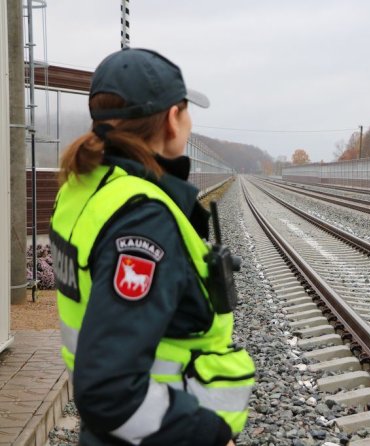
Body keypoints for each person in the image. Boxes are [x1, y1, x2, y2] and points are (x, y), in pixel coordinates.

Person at [49, 48, 255, 445]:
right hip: (158, 432)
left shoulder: (85, 188)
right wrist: (206, 435)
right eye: (186, 110)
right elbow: (110, 389)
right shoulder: (142, 218)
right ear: (172, 119)